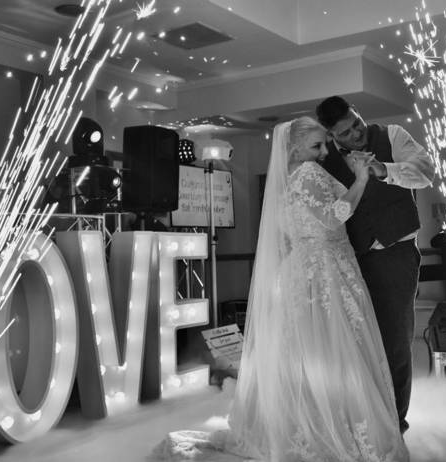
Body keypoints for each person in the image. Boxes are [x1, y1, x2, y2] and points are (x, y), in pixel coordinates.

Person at [153, 117, 408, 461]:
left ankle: (302, 424)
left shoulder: (284, 183)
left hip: (301, 270)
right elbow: (334, 216)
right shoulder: (309, 173)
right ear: (294, 148)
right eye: (316, 145)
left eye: (324, 144)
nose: (324, 152)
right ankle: (336, 428)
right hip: (327, 268)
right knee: (335, 351)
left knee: (305, 353)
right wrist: (361, 177)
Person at [316, 96, 434, 434]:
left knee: (395, 341)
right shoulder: (324, 158)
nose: (357, 133)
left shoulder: (392, 135)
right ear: (331, 135)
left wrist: (384, 170)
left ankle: (395, 425)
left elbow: (425, 172)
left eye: (357, 122)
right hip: (350, 259)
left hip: (395, 254)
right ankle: (366, 420)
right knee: (358, 343)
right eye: (346, 132)